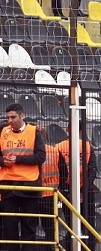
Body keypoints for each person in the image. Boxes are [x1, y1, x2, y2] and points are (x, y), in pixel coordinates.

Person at [0, 104, 46, 251]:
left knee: (29, 228)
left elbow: (41, 157)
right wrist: (2, 161)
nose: (10, 120)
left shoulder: (34, 132)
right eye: (7, 117)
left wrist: (16, 159)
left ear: (22, 116)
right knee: (9, 228)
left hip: (29, 186)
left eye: (13, 117)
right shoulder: (2, 131)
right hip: (8, 187)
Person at [56, 121, 97, 250]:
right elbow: (92, 170)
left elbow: (58, 171)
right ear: (81, 131)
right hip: (85, 191)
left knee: (70, 225)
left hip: (67, 191)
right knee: (89, 225)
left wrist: (66, 189)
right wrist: (83, 190)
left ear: (67, 129)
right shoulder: (87, 146)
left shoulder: (58, 147)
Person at [39, 127, 68, 248]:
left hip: (30, 196)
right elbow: (64, 174)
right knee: (51, 229)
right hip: (51, 195)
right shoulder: (54, 151)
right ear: (45, 137)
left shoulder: (26, 152)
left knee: (28, 228)